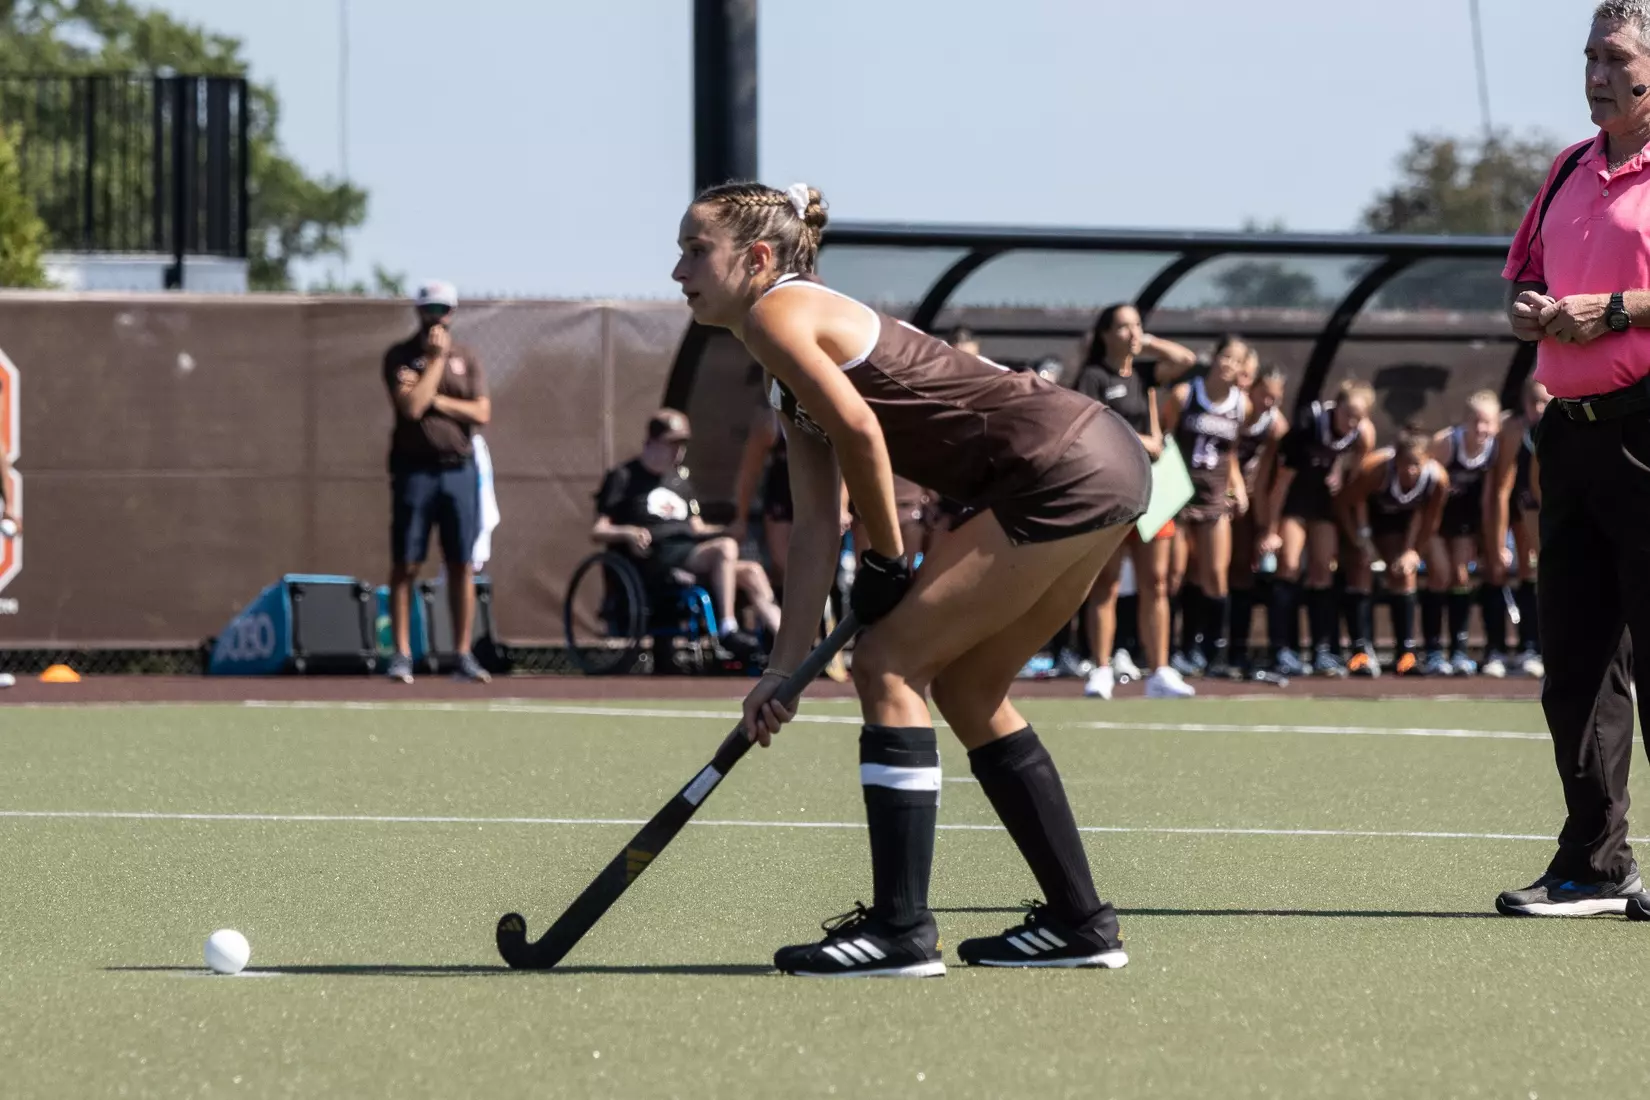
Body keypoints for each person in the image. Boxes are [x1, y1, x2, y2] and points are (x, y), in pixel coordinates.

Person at [675, 180, 1150, 976]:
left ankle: (900, 931)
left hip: (1057, 469)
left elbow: (863, 430)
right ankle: (1081, 924)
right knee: (968, 691)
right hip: (1106, 462)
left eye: (695, 250)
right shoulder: (786, 356)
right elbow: (815, 528)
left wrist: (889, 558)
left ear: (756, 258)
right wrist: (780, 669)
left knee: (886, 662)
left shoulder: (776, 314)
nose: (677, 270)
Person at [1495, 1, 1650, 918]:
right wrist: (1530, 307)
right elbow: (1523, 274)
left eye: (1615, 55)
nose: (1594, 70)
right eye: (1589, 53)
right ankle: (1594, 865)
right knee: (1578, 663)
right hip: (1574, 431)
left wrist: (1621, 309)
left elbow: (1621, 302)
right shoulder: (1565, 169)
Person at [1073, 303, 1200, 700]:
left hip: (1151, 494)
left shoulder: (1145, 373)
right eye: (1124, 326)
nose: (1131, 333)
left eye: (1136, 325)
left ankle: (1160, 670)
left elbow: (1187, 359)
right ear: (1105, 334)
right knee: (1106, 584)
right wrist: (1140, 440)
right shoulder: (1093, 377)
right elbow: (1089, 425)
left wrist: (1148, 342)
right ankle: (1102, 668)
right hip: (1112, 494)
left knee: (1157, 584)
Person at [593, 410, 778, 650]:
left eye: (682, 444)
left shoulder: (680, 481)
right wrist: (627, 532)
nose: (678, 451)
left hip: (693, 554)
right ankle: (727, 628)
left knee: (752, 571)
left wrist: (727, 530)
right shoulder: (624, 477)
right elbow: (598, 530)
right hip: (657, 559)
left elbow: (697, 527)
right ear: (650, 443)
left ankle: (788, 646)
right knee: (725, 548)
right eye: (671, 444)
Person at [382, 280, 493, 684]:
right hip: (415, 472)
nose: (436, 317)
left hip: (458, 471)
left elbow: (481, 412)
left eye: (443, 310)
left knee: (461, 562)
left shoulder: (469, 357)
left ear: (453, 312)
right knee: (406, 563)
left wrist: (438, 400)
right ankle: (401, 654)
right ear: (418, 311)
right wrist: (434, 360)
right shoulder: (401, 356)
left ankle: (462, 655)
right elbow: (410, 408)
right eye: (429, 309)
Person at [1259, 378, 1377, 677]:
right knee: (1287, 564)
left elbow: (1355, 467)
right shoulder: (1308, 426)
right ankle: (1282, 649)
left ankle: (1323, 650)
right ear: (1335, 406)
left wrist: (1339, 467)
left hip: (1323, 506)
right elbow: (1280, 484)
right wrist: (1270, 529)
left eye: (1358, 417)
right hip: (1294, 503)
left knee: (1323, 568)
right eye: (1347, 414)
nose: (1352, 422)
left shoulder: (1362, 435)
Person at [1160, 341, 1250, 676]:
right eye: (1225, 356)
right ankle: (1167, 652)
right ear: (1214, 358)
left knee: (1215, 576)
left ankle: (1213, 655)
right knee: (1174, 576)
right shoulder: (1185, 395)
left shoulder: (1242, 404)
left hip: (1214, 499)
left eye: (1236, 361)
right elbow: (1164, 440)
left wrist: (1237, 487)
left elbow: (1232, 452)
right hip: (1180, 497)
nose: (1228, 364)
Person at [1335, 425, 1450, 677]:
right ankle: (1361, 652)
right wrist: (1359, 540)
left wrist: (1413, 551)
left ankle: (1405, 654)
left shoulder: (1438, 479)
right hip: (1368, 524)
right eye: (1405, 463)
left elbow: (1430, 520)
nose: (1410, 470)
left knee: (1404, 573)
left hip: (1402, 527)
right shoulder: (1375, 470)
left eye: (1416, 464)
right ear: (1395, 460)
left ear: (1427, 460)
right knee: (1360, 567)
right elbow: (1345, 504)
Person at [1419, 391, 1500, 677]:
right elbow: (1424, 489)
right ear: (1465, 420)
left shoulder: (1493, 449)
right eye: (1475, 421)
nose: (1481, 428)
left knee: (1461, 576)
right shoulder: (1446, 443)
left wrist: (1491, 542)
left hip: (1465, 522)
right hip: (1435, 520)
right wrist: (1421, 537)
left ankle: (1458, 651)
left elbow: (1489, 500)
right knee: (1439, 574)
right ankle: (1431, 651)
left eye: (1487, 422)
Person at [1484, 377, 1551, 678]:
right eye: (1532, 401)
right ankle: (1498, 650)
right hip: (1515, 505)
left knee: (1536, 571)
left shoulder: (1563, 425)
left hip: (1543, 506)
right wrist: (1498, 542)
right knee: (1501, 568)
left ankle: (1533, 647)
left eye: (1544, 401)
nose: (1538, 408)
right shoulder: (1515, 431)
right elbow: (1500, 490)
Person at [1231, 361, 1289, 676]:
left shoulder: (1275, 425)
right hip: (1219, 493)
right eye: (1264, 395)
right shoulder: (1234, 411)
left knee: (1250, 568)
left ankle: (1246, 648)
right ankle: (1200, 648)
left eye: (1275, 398)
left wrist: (1268, 526)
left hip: (1252, 500)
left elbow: (1273, 476)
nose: (1269, 403)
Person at [731, 406, 794, 592]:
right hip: (783, 498)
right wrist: (740, 518)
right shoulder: (770, 421)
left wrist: (843, 505)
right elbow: (748, 474)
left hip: (820, 497)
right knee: (785, 565)